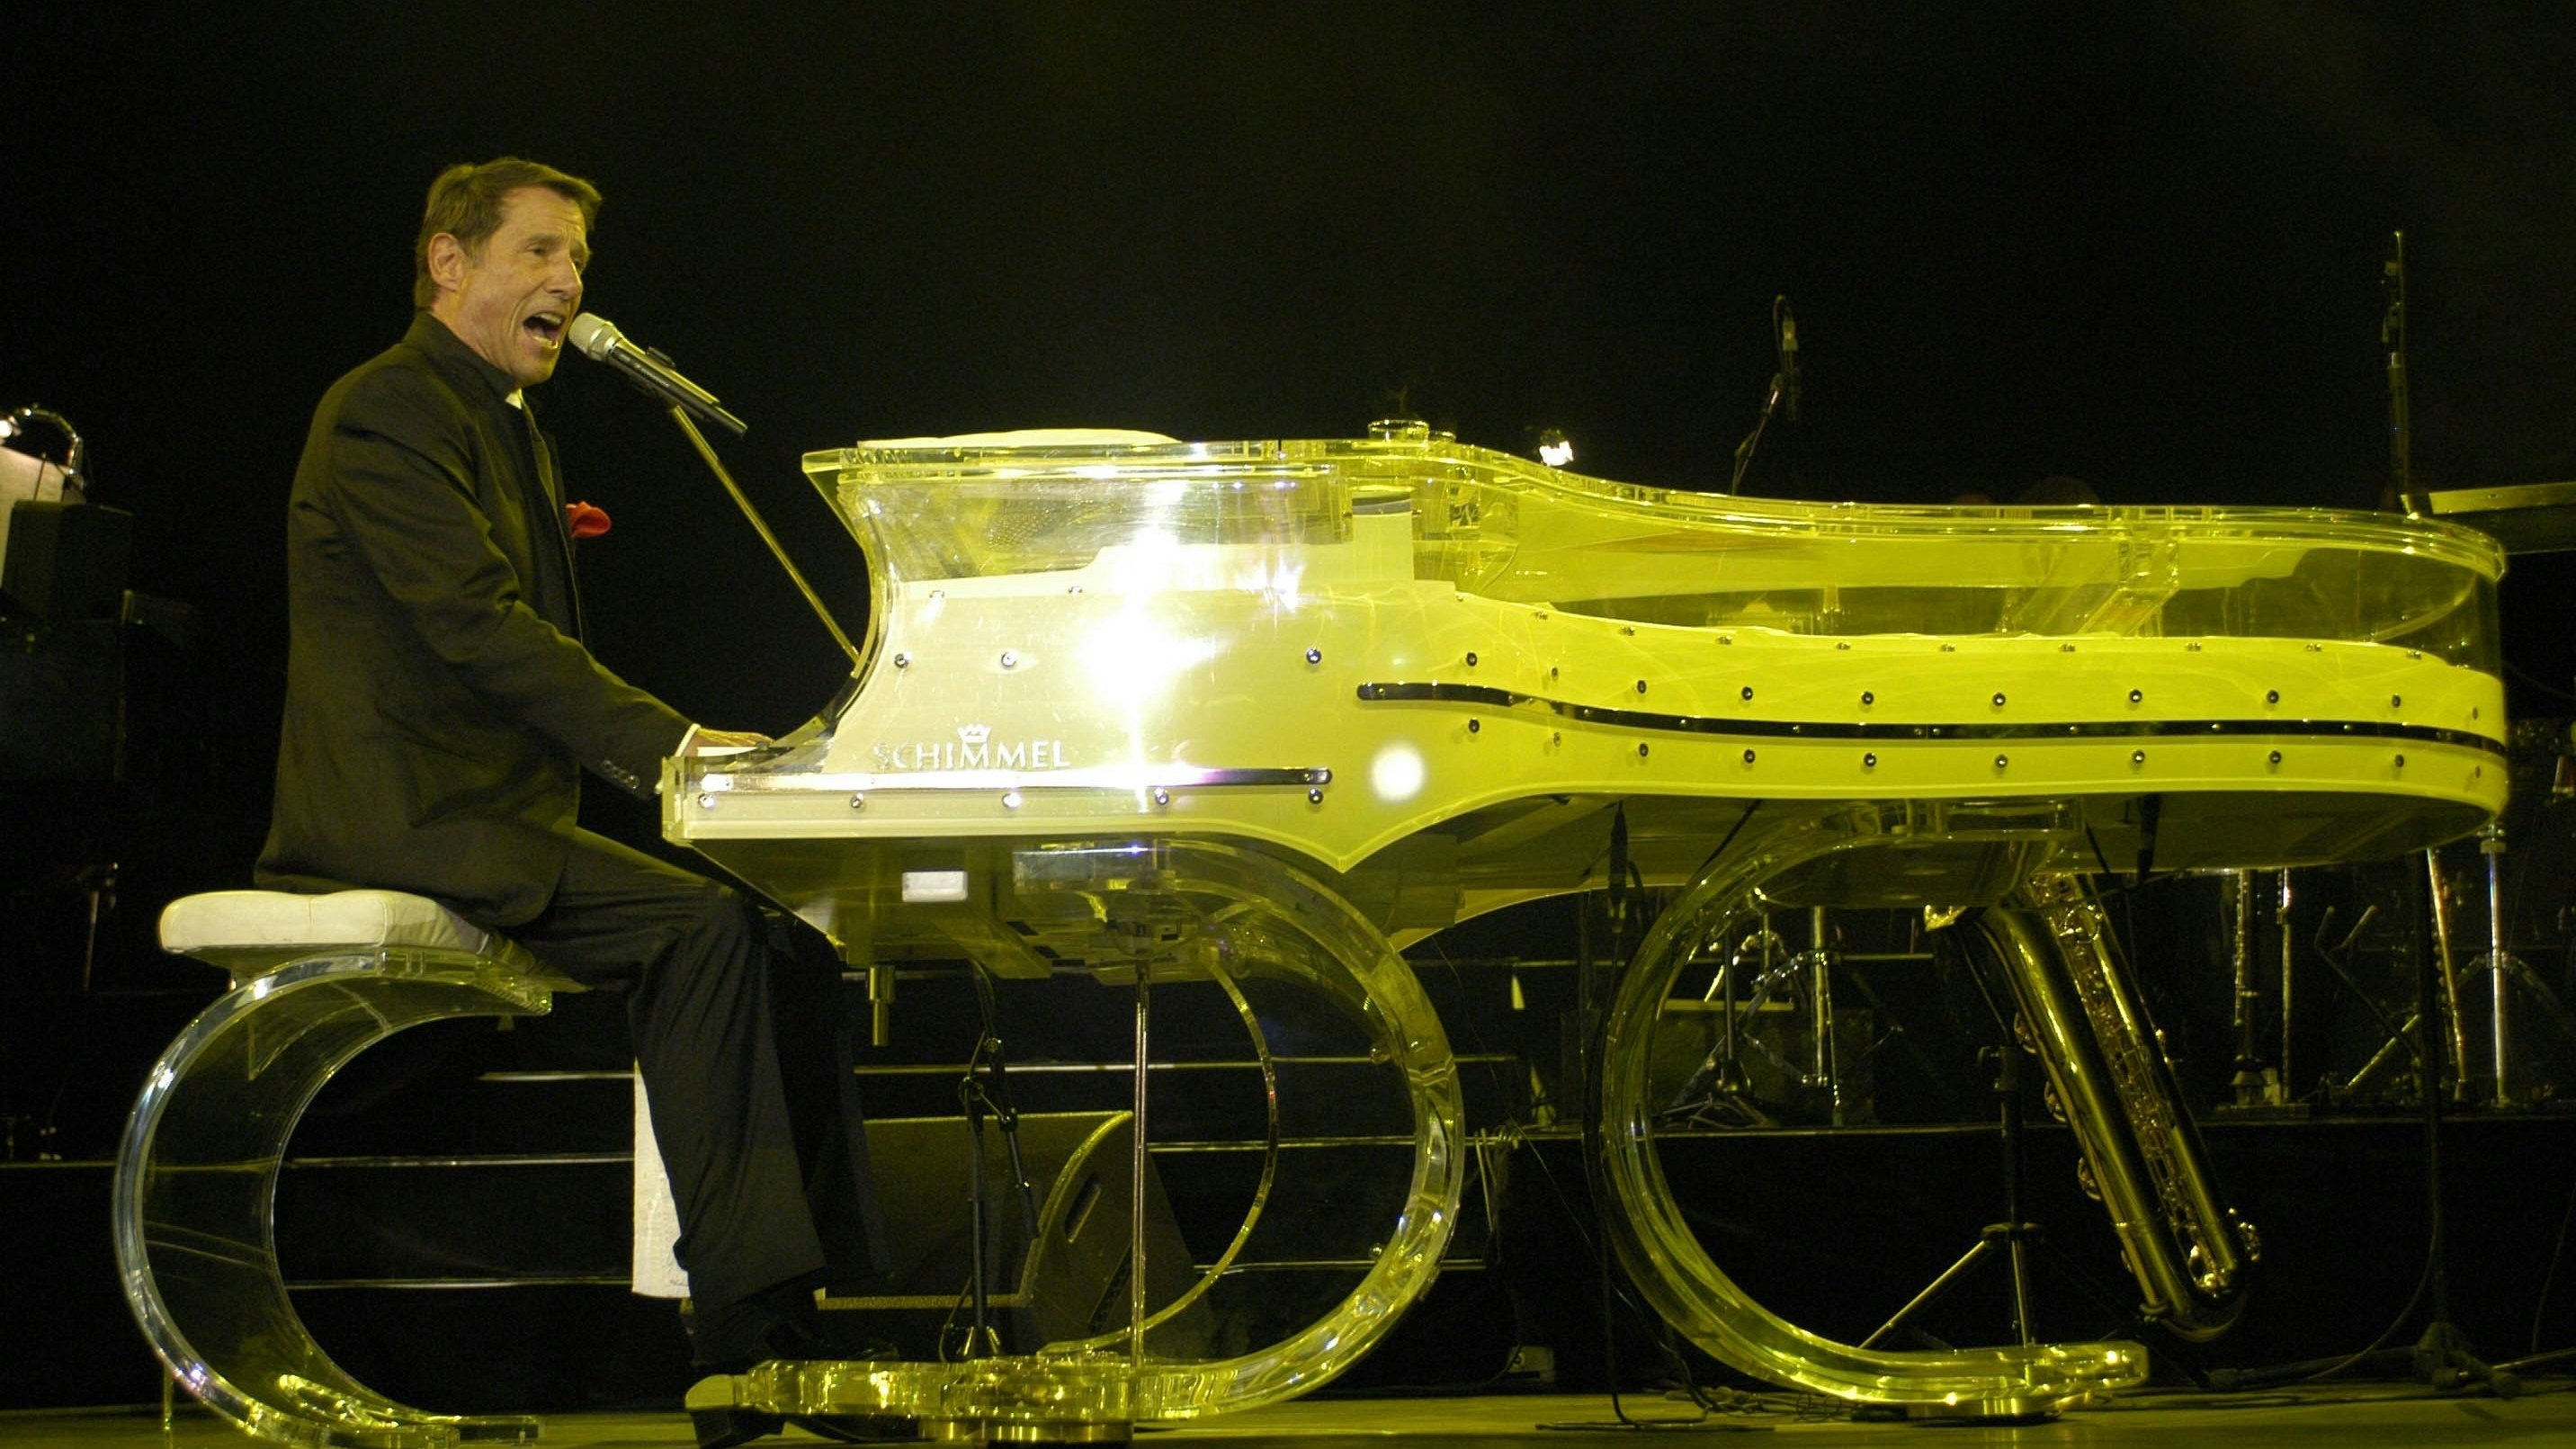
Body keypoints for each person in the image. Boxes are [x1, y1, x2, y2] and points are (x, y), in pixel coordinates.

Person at [254, 157, 884, 1376]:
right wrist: (673, 749)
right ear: (450, 260)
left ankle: (820, 1300)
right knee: (697, 929)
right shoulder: (387, 409)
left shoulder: (504, 423)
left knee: (787, 926)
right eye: (540, 251)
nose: (572, 280)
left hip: (491, 813)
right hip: (401, 818)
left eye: (580, 260)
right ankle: (748, 1335)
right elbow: (478, 628)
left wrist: (694, 766)